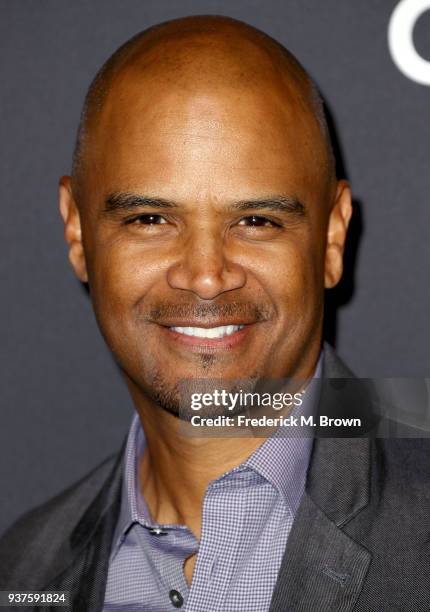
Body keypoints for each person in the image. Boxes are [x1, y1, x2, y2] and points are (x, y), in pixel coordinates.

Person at [0, 14, 428, 612]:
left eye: (256, 221)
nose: (205, 275)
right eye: (150, 219)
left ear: (332, 239)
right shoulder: (23, 570)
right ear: (77, 231)